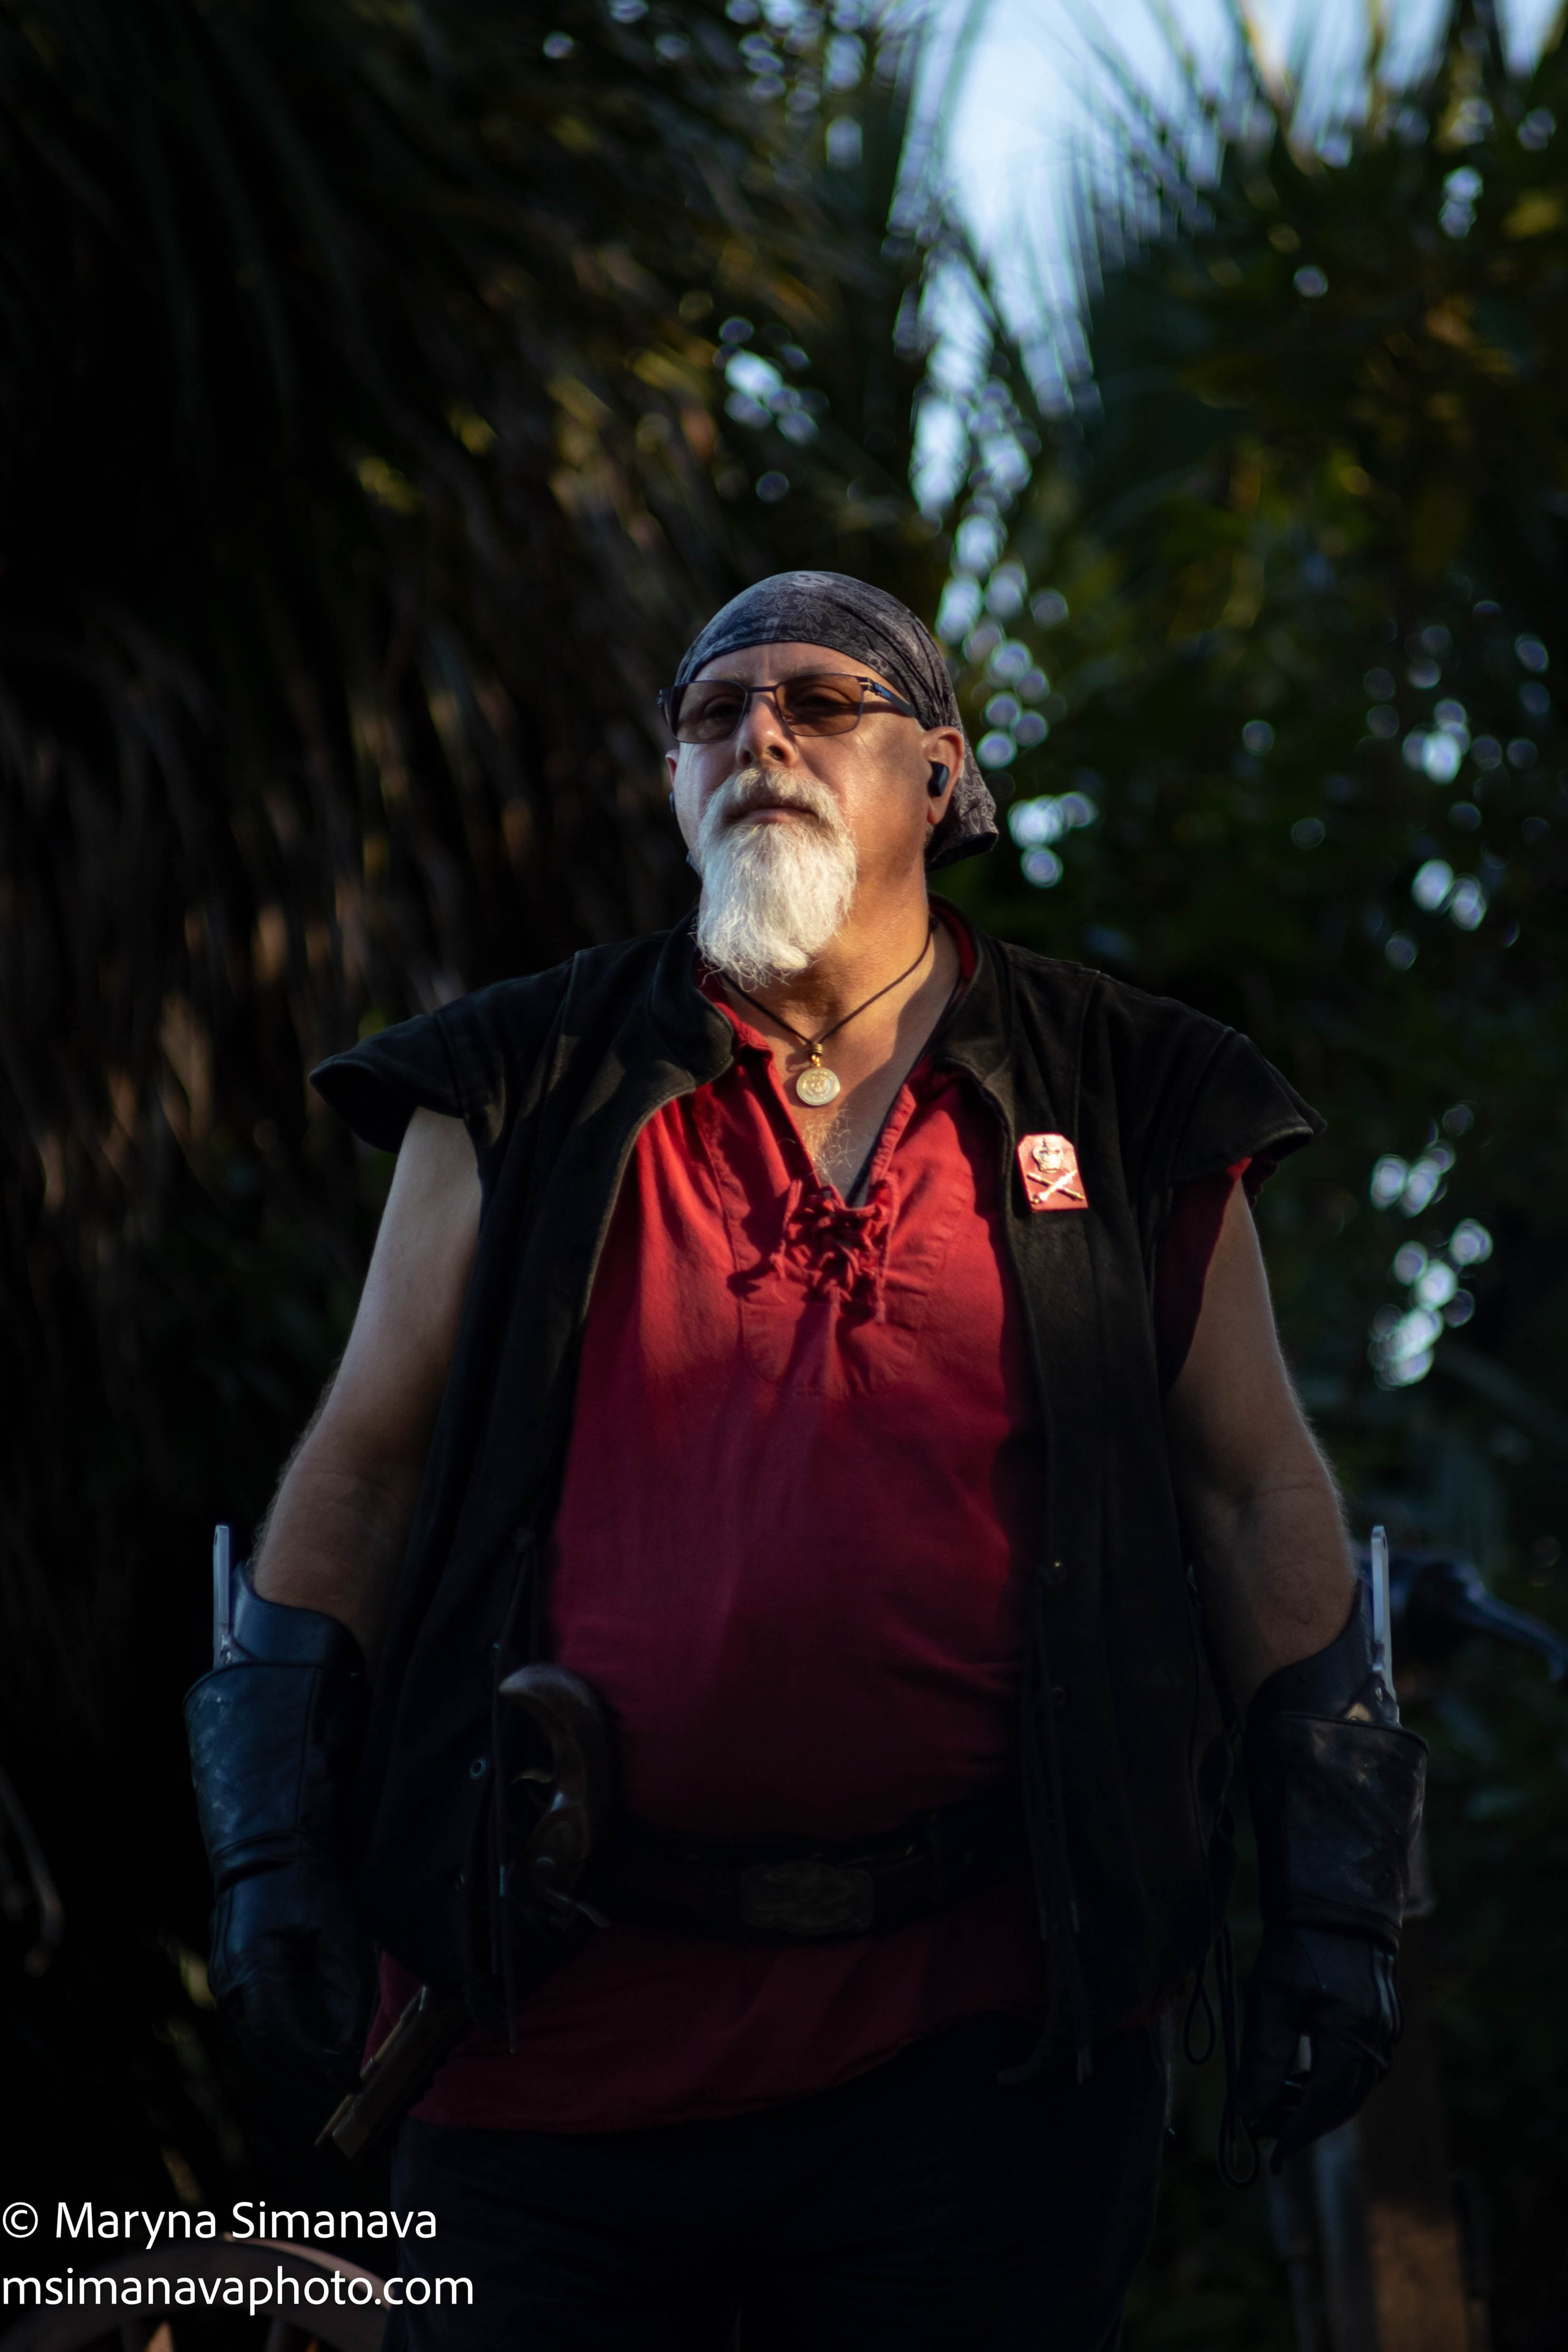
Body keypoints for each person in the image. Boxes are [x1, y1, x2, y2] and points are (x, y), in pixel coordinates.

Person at [186, 572, 1424, 2350]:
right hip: (552, 2041)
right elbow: (366, 1465)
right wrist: (268, 1837)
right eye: (713, 712)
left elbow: (1250, 1487)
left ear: (940, 775)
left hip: (986, 2049)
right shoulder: (523, 1079)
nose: (757, 732)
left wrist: (1331, 1888)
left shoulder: (1132, 1090)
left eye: (820, 702)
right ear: (675, 783)